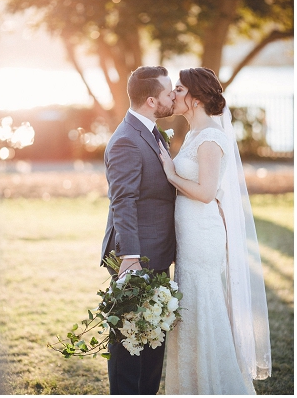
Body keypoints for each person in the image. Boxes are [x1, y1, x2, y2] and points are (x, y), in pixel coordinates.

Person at [157, 67, 272, 394]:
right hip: (190, 235)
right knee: (190, 308)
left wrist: (170, 173)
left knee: (201, 306)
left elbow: (206, 192)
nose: (174, 94)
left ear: (194, 96)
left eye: (179, 89)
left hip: (202, 237)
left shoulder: (210, 138)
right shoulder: (194, 133)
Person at [100, 65, 177, 394]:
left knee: (151, 347)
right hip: (137, 259)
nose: (174, 96)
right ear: (151, 100)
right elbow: (124, 202)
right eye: (169, 93)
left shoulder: (149, 129)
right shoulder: (126, 142)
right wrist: (130, 259)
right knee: (130, 353)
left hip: (155, 255)